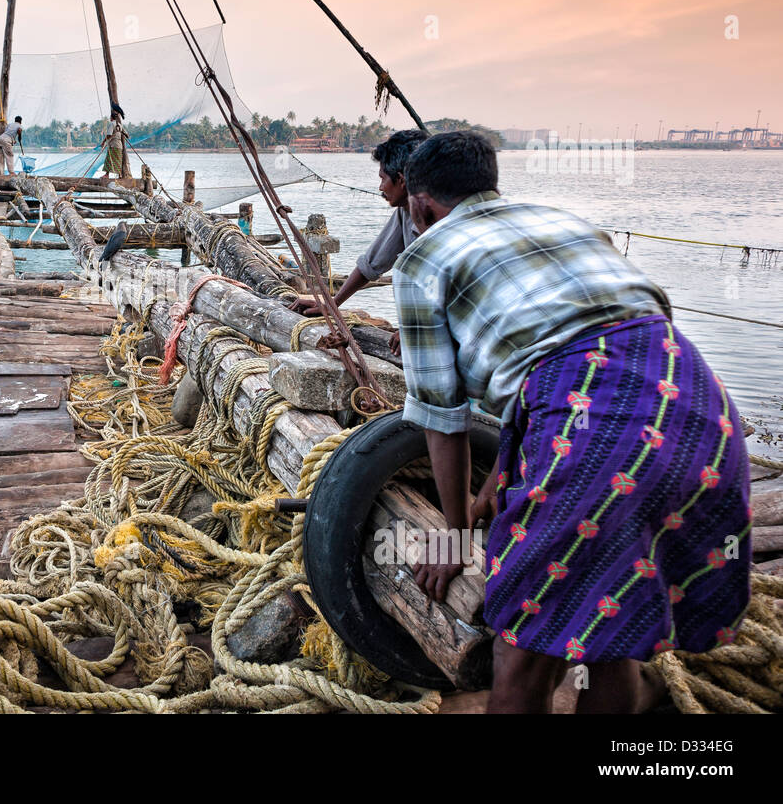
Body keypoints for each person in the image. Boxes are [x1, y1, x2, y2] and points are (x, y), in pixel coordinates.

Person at [394, 131, 751, 714]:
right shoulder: (568, 221)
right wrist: (501, 479)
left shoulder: (422, 260)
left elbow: (441, 415)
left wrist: (457, 532)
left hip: (591, 426)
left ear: (420, 203)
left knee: (524, 648)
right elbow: (634, 326)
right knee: (614, 628)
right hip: (698, 405)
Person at [289, 129, 428, 354]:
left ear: (401, 180)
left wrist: (418, 325)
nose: (380, 187)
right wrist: (332, 305)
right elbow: (371, 265)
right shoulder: (406, 211)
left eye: (383, 178)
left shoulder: (447, 223)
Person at [100, 109, 128, 180]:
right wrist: (122, 133)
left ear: (111, 118)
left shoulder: (112, 124)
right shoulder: (119, 125)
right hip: (119, 145)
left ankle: (107, 175)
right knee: (118, 160)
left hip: (113, 145)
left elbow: (109, 135)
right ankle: (120, 175)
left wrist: (103, 142)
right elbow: (126, 134)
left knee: (109, 160)